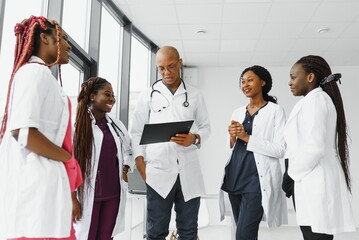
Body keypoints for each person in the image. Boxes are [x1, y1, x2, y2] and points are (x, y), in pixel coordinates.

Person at [0, 16, 82, 239]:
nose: (68, 45)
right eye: (63, 38)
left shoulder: (43, 76)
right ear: (45, 39)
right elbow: (22, 132)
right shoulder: (32, 73)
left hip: (48, 184)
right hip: (35, 188)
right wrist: (67, 159)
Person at [131, 46, 211, 240]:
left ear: (180, 63)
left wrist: (195, 138)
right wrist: (141, 164)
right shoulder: (148, 94)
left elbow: (206, 127)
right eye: (161, 68)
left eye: (171, 66)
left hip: (188, 172)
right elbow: (136, 132)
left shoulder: (194, 95)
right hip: (158, 173)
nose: (167, 72)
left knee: (189, 230)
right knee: (156, 231)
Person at [284, 55, 356, 239]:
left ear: (310, 77)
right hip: (310, 180)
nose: (290, 82)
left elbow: (314, 148)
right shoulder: (313, 100)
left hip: (314, 181)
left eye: (294, 77)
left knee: (316, 235)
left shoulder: (316, 101)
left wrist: (290, 174)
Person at [219, 65, 288, 240]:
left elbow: (280, 149)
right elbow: (231, 147)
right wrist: (233, 136)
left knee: (244, 235)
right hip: (234, 177)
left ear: (263, 82)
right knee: (243, 233)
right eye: (242, 81)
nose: (245, 84)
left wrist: (246, 136)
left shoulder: (275, 111)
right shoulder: (237, 111)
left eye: (250, 80)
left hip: (257, 180)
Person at [73, 77, 134, 240]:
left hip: (113, 193)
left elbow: (130, 150)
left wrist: (126, 168)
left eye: (113, 95)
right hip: (87, 195)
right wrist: (72, 199)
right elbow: (68, 163)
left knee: (107, 237)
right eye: (107, 94)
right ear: (93, 96)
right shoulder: (77, 125)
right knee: (87, 236)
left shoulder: (116, 125)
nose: (112, 99)